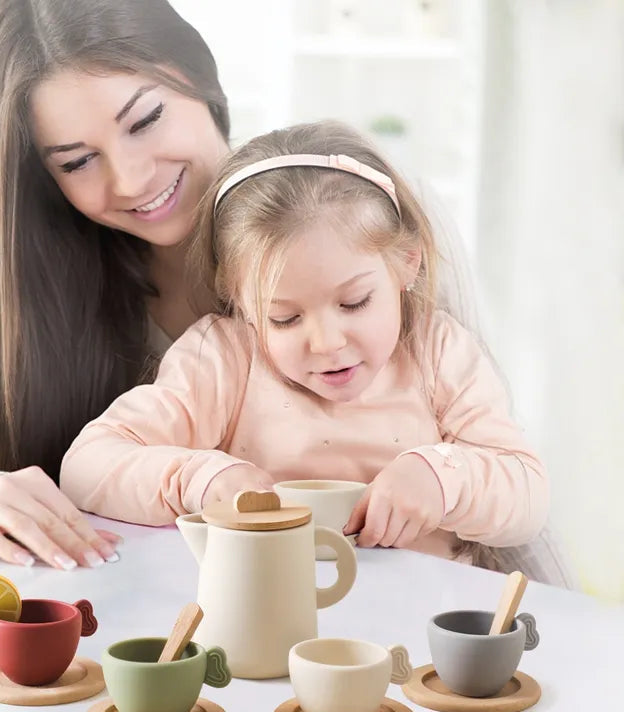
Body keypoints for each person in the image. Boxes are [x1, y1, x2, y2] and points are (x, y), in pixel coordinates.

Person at [60, 120, 571, 580]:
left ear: (407, 264)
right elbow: (86, 468)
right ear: (241, 301)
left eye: (354, 302)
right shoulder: (223, 358)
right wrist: (202, 478)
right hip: (267, 625)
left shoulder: (438, 351)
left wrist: (442, 479)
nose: (327, 343)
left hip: (423, 636)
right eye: (285, 318)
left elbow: (527, 497)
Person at [0, 0, 231, 569]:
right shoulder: (63, 284)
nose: (130, 179)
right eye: (79, 162)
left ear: (200, 78)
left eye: (145, 121)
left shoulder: (328, 209)